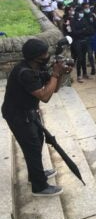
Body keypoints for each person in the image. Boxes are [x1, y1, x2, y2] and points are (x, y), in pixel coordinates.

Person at [1, 39, 71, 197]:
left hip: (28, 112)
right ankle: (39, 187)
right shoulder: (25, 73)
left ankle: (35, 175)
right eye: (45, 54)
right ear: (35, 56)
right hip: (17, 115)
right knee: (31, 146)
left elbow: (54, 90)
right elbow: (45, 96)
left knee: (37, 141)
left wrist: (59, 74)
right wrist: (54, 73)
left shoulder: (36, 67)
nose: (48, 56)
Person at [70, 6, 93, 83]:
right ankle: (79, 75)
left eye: (82, 12)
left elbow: (88, 30)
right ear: (76, 13)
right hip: (77, 42)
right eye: (80, 12)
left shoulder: (84, 19)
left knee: (84, 58)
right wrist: (83, 30)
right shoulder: (73, 21)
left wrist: (81, 31)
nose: (81, 13)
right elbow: (74, 32)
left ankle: (85, 73)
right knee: (79, 58)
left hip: (84, 40)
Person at [83, 2, 96, 76]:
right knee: (89, 53)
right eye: (85, 8)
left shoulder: (92, 15)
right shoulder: (82, 16)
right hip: (87, 37)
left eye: (88, 7)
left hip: (93, 36)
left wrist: (95, 34)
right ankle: (93, 67)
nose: (87, 9)